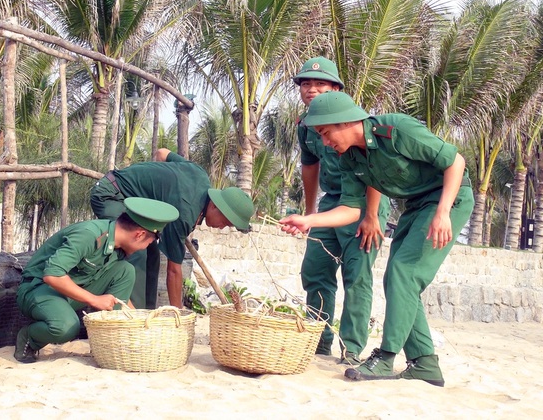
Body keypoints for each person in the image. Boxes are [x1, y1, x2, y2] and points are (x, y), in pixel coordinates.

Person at [279, 91, 474, 387]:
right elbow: (349, 209)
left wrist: (444, 212)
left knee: (404, 273)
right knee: (397, 279)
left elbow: (454, 162)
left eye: (326, 133)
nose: (325, 142)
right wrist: (309, 220)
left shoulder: (395, 130)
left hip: (449, 200)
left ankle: (385, 356)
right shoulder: (351, 159)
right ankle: (424, 363)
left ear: (344, 121)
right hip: (416, 206)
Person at [293, 57, 390, 363]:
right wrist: (309, 216)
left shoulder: (353, 120)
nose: (311, 89)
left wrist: (372, 216)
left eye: (319, 84)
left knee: (356, 273)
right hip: (332, 201)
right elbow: (310, 167)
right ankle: (317, 341)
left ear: (335, 88)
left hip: (366, 200)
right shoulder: (306, 126)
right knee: (315, 269)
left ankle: (351, 350)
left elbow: (377, 167)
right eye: (306, 84)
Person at [14, 197, 180, 364]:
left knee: (125, 270)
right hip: (38, 289)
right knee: (66, 327)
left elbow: (119, 298)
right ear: (139, 235)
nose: (146, 248)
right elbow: (52, 275)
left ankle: (112, 344)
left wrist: (138, 321)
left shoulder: (119, 247)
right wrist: (94, 299)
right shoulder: (89, 235)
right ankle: (29, 337)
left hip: (71, 291)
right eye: (150, 242)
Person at [90, 148, 255, 309]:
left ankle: (148, 312)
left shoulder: (200, 175)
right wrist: (179, 313)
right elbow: (174, 271)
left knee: (152, 250)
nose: (222, 227)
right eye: (225, 222)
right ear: (214, 206)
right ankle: (133, 319)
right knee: (136, 250)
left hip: (129, 201)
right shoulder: (184, 215)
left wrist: (156, 188)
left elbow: (162, 153)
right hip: (110, 194)